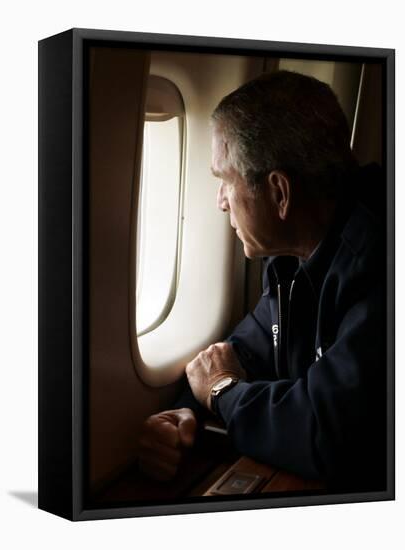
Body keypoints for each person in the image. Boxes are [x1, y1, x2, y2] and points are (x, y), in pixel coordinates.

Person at [137, 70, 386, 491]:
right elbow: (239, 354)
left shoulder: (379, 262)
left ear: (279, 193)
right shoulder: (293, 259)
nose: (220, 203)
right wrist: (185, 414)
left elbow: (326, 437)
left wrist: (221, 393)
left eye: (225, 181)